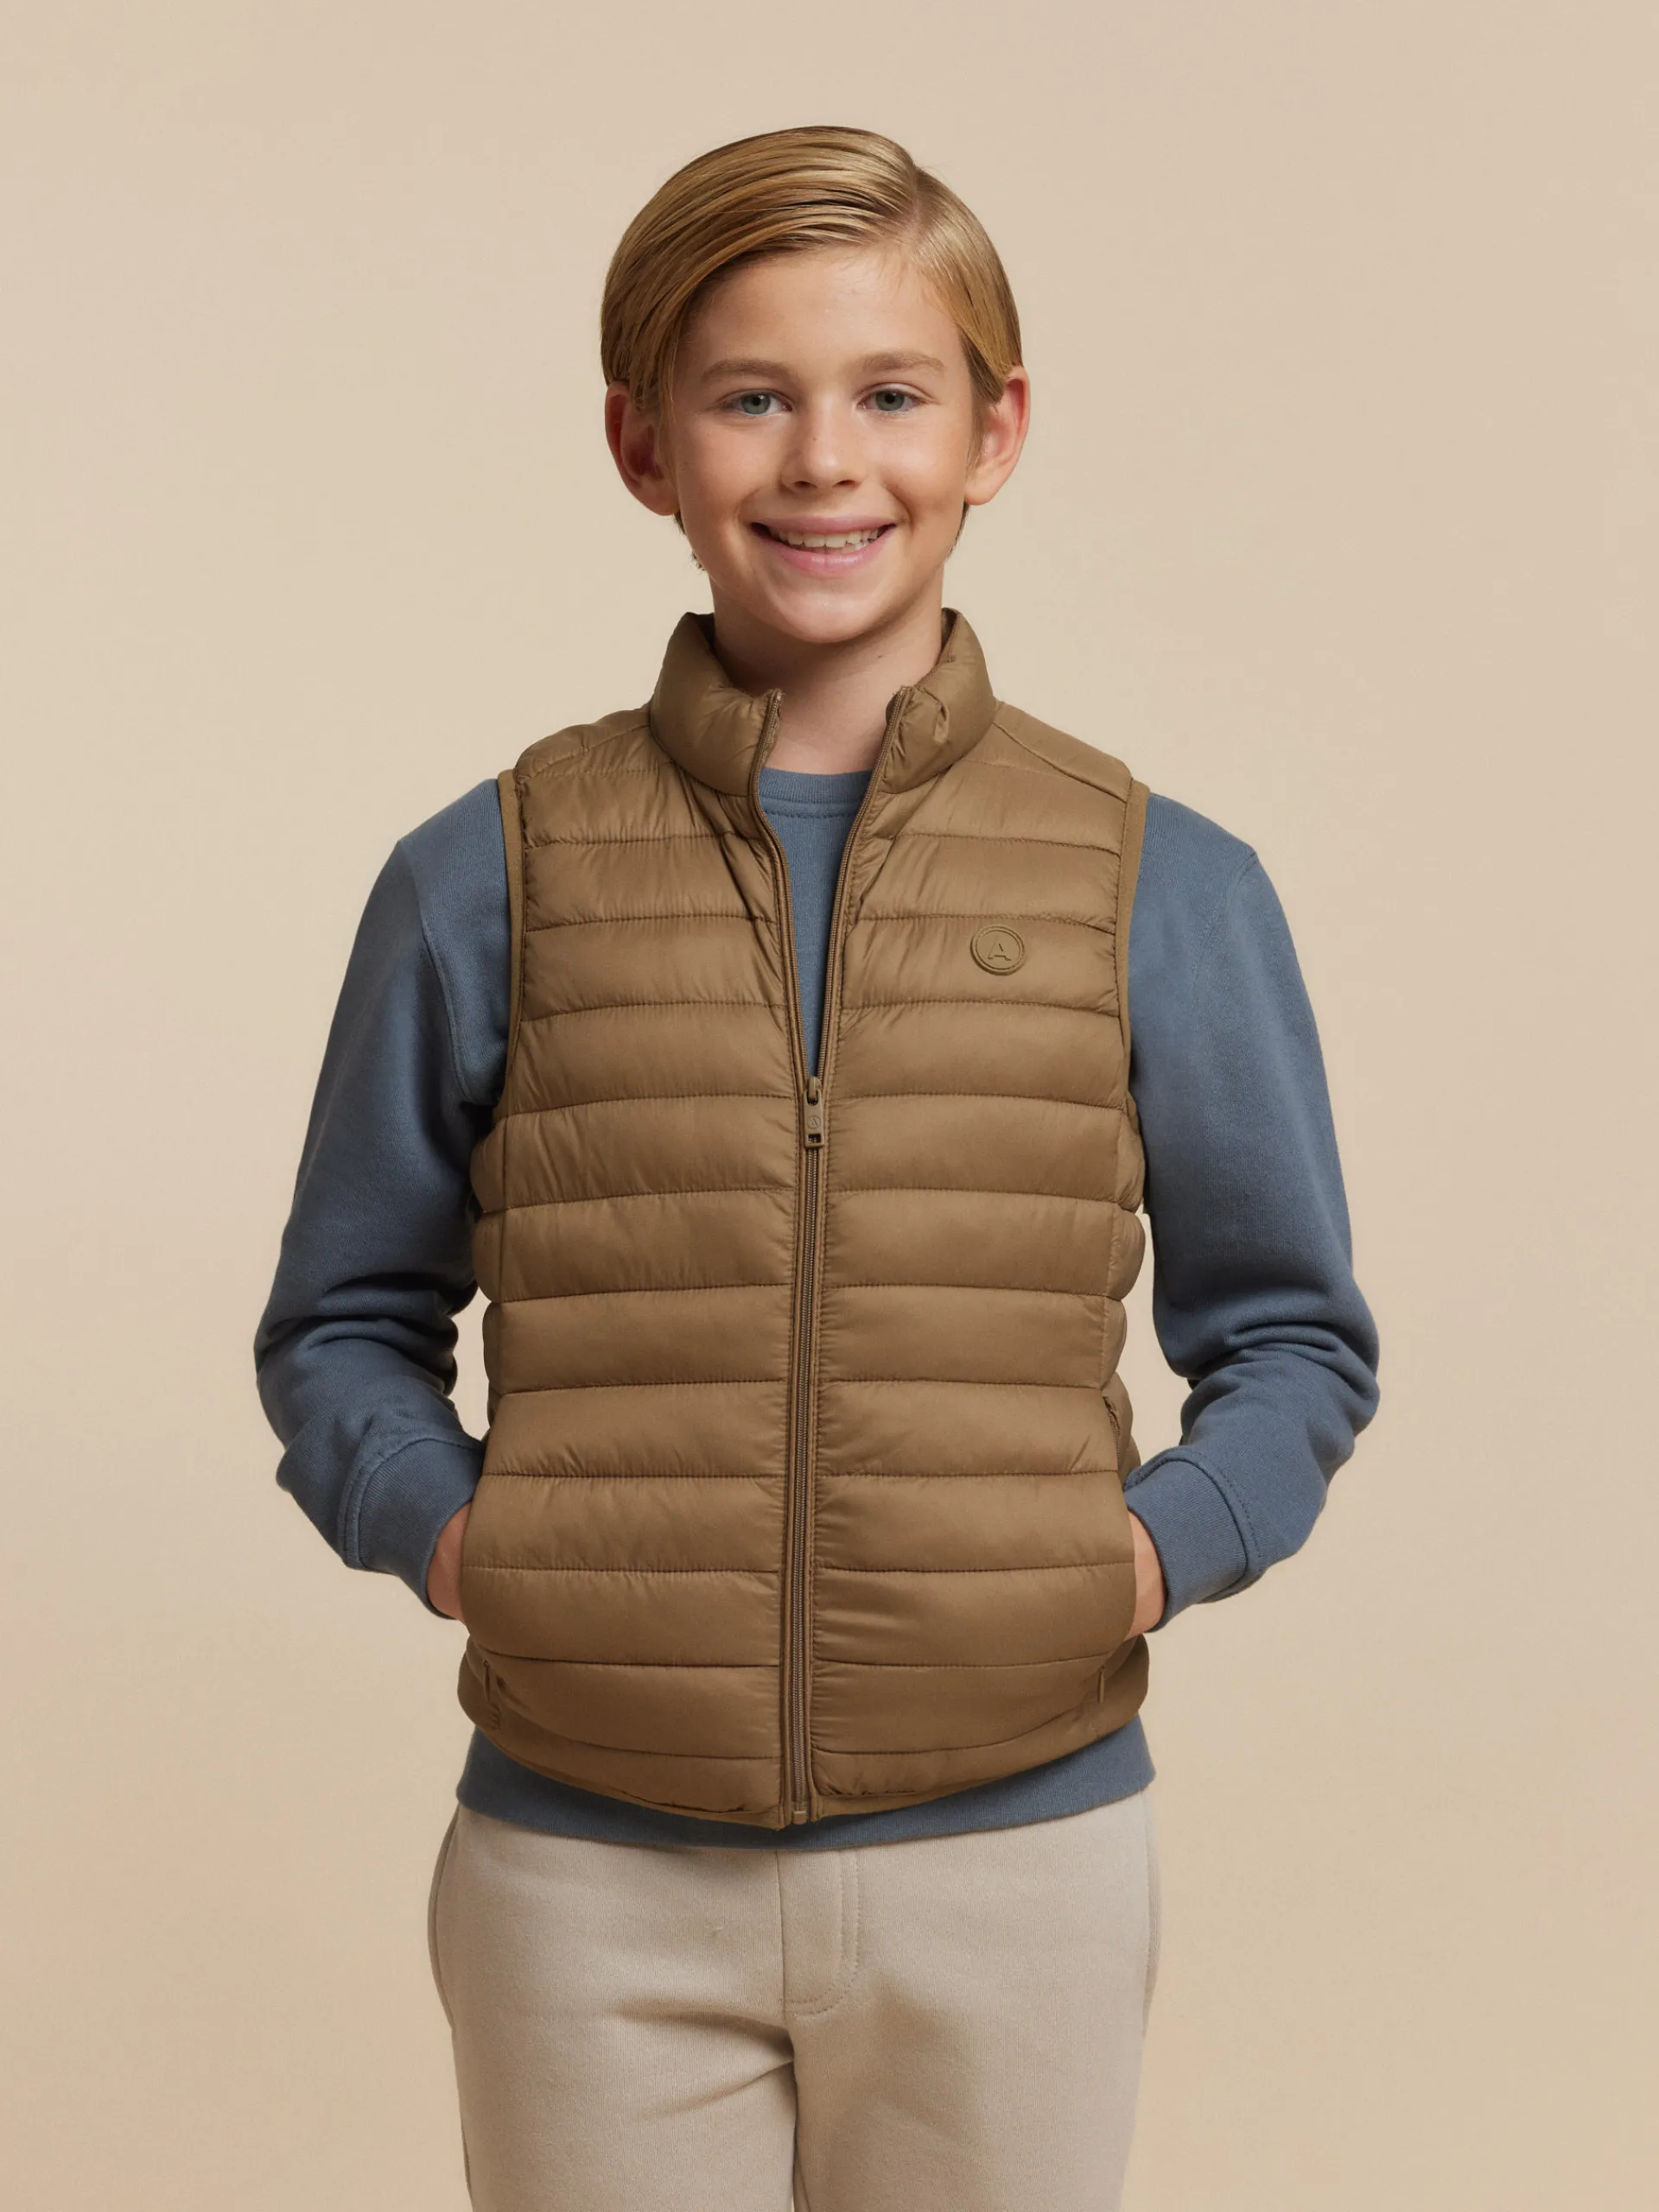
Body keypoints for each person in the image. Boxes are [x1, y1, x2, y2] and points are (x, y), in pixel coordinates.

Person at [255, 124, 1380, 2212]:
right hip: (584, 1868)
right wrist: (469, 1544)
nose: (824, 460)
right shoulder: (486, 873)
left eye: (890, 392)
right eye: (752, 397)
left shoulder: (1163, 880)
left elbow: (1296, 1337)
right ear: (645, 445)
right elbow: (338, 1323)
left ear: (993, 432)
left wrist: (1132, 1563)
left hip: (1024, 1856)